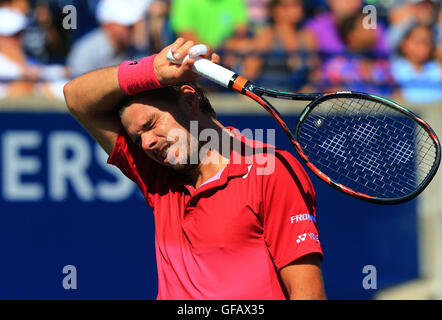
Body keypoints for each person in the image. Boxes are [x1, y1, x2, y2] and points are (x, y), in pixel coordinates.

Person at [63, 38, 325, 300]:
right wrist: (153, 69)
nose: (146, 143)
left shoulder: (271, 169)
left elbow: (308, 294)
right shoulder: (156, 176)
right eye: (137, 139)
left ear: (189, 101)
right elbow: (75, 97)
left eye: (150, 124)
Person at [66, 0, 150, 77]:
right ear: (109, 25)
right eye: (128, 26)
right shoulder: (85, 52)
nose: (133, 30)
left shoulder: (137, 50)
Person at [391, 23, 442, 103]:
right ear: (404, 44)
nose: (423, 46)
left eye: (427, 42)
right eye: (418, 41)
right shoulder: (392, 70)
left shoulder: (437, 69)